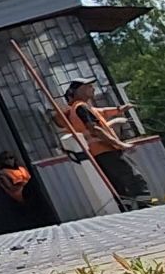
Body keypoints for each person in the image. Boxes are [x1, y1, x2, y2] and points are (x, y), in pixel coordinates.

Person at [63, 78, 151, 206]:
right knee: (134, 180)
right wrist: (119, 144)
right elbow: (95, 128)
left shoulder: (78, 109)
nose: (93, 89)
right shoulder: (81, 107)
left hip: (100, 153)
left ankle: (127, 209)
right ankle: (146, 207)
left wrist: (120, 109)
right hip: (106, 150)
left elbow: (103, 112)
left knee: (119, 186)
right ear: (78, 91)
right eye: (89, 86)